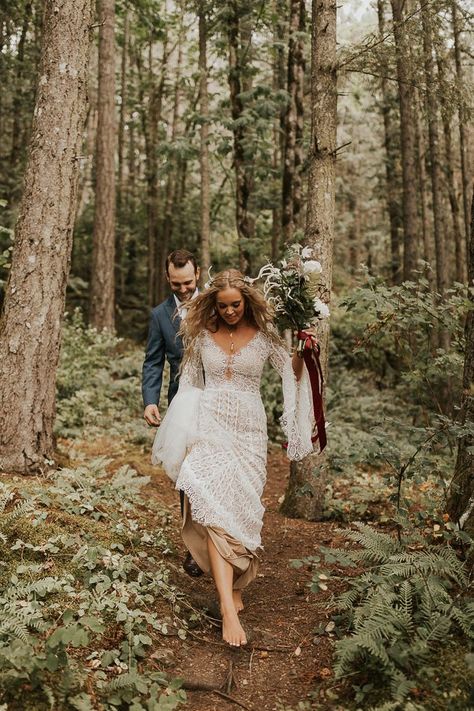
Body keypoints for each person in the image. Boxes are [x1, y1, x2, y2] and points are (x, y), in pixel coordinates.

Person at [152, 269, 315, 647]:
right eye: (222, 306)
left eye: (235, 305)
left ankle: (237, 583)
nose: (229, 312)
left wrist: (302, 353)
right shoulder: (199, 336)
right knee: (210, 511)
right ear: (213, 303)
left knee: (240, 512)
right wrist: (183, 435)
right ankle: (227, 607)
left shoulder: (265, 336)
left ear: (247, 301)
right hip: (209, 426)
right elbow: (189, 384)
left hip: (248, 433)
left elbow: (287, 374)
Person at [142, 248, 203, 577]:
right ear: (168, 278)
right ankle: (194, 547)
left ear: (199, 274)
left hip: (218, 400)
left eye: (189, 283)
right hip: (182, 401)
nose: (183, 289)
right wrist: (150, 399)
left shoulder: (217, 303)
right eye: (176, 284)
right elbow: (153, 360)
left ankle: (222, 540)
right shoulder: (159, 315)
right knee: (186, 474)